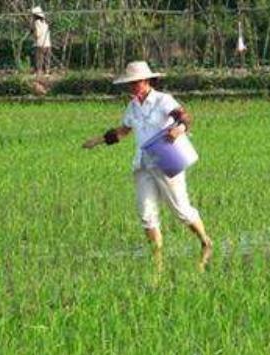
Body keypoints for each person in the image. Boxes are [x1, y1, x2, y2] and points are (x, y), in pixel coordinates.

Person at [82, 61, 213, 272]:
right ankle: (157, 262)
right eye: (130, 84)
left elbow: (183, 116)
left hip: (167, 160)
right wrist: (97, 141)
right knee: (146, 214)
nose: (133, 87)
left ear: (147, 81)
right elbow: (123, 131)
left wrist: (179, 129)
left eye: (137, 83)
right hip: (143, 165)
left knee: (181, 210)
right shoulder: (132, 106)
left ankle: (205, 241)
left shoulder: (163, 100)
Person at [30, 6, 51, 75]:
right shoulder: (45, 22)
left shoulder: (37, 23)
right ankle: (46, 73)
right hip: (47, 44)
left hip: (40, 44)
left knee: (39, 60)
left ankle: (38, 73)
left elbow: (37, 34)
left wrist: (32, 32)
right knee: (46, 60)